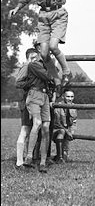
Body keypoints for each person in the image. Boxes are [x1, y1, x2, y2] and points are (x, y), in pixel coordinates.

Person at [8, 0, 83, 89]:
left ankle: (66, 71)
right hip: (43, 17)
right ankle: (56, 79)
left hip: (58, 15)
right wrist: (17, 8)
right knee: (43, 53)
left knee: (53, 46)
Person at [22, 44, 54, 173]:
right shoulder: (34, 63)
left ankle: (42, 162)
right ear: (39, 49)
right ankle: (29, 157)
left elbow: (56, 79)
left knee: (46, 128)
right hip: (34, 94)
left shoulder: (48, 62)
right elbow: (50, 76)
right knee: (38, 123)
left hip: (45, 96)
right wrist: (54, 75)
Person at [15, 48, 39, 169]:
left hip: (33, 101)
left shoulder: (34, 67)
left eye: (36, 57)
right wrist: (30, 84)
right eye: (32, 58)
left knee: (30, 131)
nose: (35, 60)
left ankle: (26, 159)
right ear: (28, 58)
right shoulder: (26, 66)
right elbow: (17, 82)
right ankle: (19, 162)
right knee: (24, 130)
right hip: (26, 101)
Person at [52, 89, 77, 163]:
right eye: (68, 96)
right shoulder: (58, 106)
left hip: (67, 131)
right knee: (62, 132)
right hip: (56, 130)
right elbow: (57, 123)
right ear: (63, 97)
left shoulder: (74, 106)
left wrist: (72, 131)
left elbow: (74, 121)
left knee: (65, 157)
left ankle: (60, 156)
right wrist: (67, 131)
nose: (70, 99)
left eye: (72, 97)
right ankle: (58, 157)